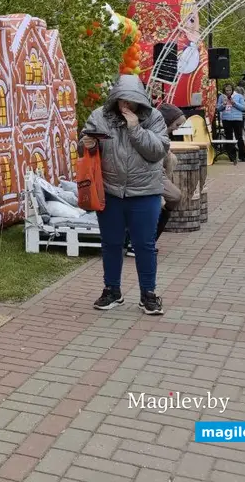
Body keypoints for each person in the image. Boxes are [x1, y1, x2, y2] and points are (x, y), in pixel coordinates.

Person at [81, 75, 170, 315]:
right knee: (111, 243)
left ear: (140, 100)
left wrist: (135, 129)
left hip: (145, 192)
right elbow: (84, 145)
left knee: (144, 244)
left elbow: (158, 151)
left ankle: (148, 294)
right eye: (121, 100)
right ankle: (112, 290)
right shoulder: (100, 116)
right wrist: (88, 144)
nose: (125, 105)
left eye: (131, 101)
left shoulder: (154, 117)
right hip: (110, 191)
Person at [125, 103, 183, 257]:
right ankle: (138, 243)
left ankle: (145, 241)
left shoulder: (159, 133)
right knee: (165, 200)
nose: (177, 128)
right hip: (145, 174)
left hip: (153, 174)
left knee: (169, 200)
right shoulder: (148, 131)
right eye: (176, 124)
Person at [217, 83, 245, 162]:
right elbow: (218, 108)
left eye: (229, 90)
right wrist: (223, 104)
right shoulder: (222, 97)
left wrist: (234, 103)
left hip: (237, 119)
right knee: (229, 137)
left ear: (232, 90)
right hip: (226, 119)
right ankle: (232, 156)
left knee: (239, 137)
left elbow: (243, 107)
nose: (228, 92)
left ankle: (243, 156)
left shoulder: (239, 96)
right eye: (226, 90)